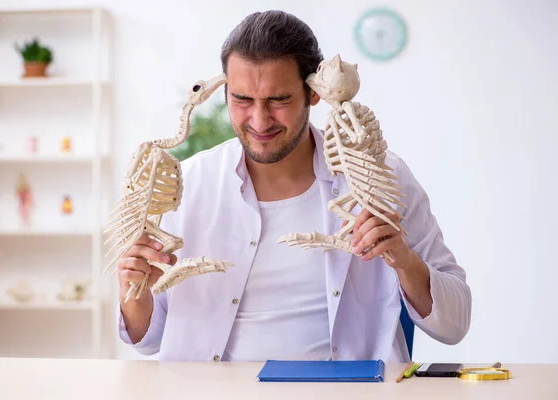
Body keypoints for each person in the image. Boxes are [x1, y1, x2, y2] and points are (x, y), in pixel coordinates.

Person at [116, 10, 471, 362]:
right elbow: (148, 340)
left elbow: (454, 325)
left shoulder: (379, 174)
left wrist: (406, 262)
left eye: (278, 99)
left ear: (313, 92)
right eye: (242, 100)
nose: (258, 120)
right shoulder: (190, 183)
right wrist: (134, 290)